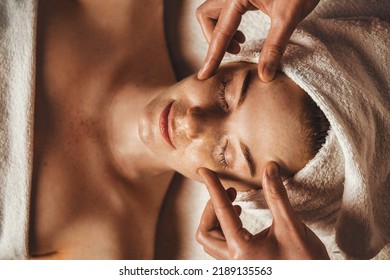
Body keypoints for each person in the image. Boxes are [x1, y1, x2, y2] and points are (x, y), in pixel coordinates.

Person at [0, 0, 328, 259]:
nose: (191, 122)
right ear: (242, 59)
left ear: (241, 193)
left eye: (226, 155)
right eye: (225, 94)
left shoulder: (107, 253)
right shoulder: (126, 7)